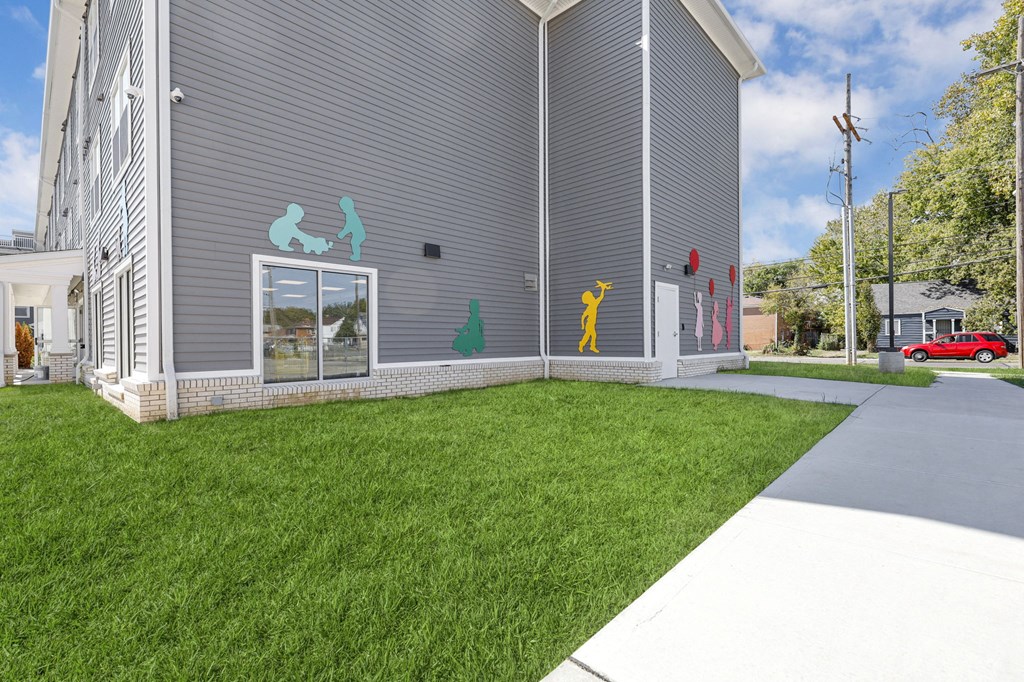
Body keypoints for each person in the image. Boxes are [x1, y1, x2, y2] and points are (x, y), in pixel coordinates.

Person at [579, 280, 613, 353]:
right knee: (592, 335)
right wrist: (582, 325)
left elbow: (601, 297)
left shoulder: (595, 303)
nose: (593, 297)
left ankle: (586, 345)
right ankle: (585, 345)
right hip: (589, 325)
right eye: (592, 297)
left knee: (590, 336)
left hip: (592, 324)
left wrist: (603, 289)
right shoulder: (589, 307)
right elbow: (583, 316)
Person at [337, 196, 366, 262]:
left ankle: (356, 256)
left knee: (354, 242)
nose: (343, 211)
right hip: (357, 233)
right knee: (354, 242)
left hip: (360, 234)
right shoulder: (351, 214)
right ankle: (356, 255)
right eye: (342, 209)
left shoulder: (352, 216)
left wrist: (342, 234)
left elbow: (348, 227)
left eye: (344, 209)